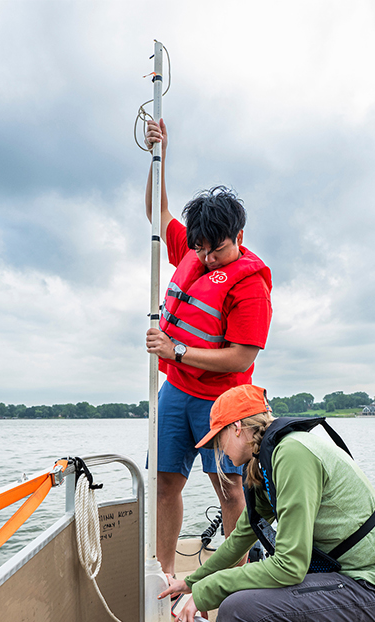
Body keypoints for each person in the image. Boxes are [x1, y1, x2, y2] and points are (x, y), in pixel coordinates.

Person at [158, 384, 375, 622]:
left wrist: (207, 593)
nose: (218, 450)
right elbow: (242, 535)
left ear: (238, 428)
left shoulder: (292, 453)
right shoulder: (262, 461)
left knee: (235, 614)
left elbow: (290, 566)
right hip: (334, 580)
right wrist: (193, 582)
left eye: (219, 439)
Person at [142, 118, 275, 577]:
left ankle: (231, 583)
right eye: (199, 249)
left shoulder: (250, 286)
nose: (206, 258)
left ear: (238, 237)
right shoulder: (195, 250)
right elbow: (156, 216)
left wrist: (175, 350)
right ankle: (164, 575)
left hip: (224, 400)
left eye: (216, 250)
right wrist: (158, 156)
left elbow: (242, 357)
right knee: (164, 484)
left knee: (230, 490)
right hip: (177, 394)